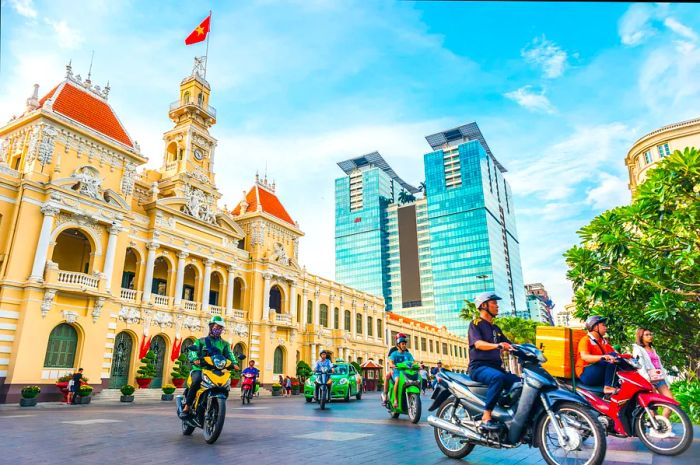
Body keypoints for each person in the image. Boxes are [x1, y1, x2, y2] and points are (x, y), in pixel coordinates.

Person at [468, 292, 520, 432]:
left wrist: (526, 350)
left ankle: (505, 410)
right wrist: (498, 346)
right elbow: (478, 344)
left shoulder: (496, 329)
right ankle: (486, 416)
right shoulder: (475, 324)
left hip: (496, 367)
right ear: (484, 305)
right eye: (494, 303)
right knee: (497, 378)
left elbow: (510, 345)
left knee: (519, 382)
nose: (497, 306)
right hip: (478, 367)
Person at [180, 315, 239, 418]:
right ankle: (187, 406)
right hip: (200, 369)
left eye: (221, 328)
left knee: (224, 384)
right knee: (197, 381)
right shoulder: (201, 341)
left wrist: (234, 364)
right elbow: (193, 351)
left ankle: (216, 406)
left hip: (215, 370)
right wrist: (195, 359)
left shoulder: (224, 344)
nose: (218, 329)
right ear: (211, 327)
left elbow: (229, 354)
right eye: (217, 327)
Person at [632, 327, 675, 417]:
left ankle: (663, 424)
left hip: (659, 378)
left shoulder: (653, 349)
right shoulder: (638, 349)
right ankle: (655, 427)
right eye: (647, 335)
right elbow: (640, 366)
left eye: (651, 334)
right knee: (652, 406)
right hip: (648, 379)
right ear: (641, 336)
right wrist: (647, 380)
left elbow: (659, 366)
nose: (650, 336)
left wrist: (665, 379)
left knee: (671, 402)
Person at [575, 316, 618, 395]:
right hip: (586, 374)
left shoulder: (603, 341)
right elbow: (585, 357)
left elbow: (616, 354)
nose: (606, 327)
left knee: (617, 358)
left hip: (597, 372)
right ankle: (608, 387)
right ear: (595, 327)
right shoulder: (585, 340)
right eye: (603, 325)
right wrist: (603, 357)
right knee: (612, 356)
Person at [387, 334, 415, 408]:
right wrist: (392, 365)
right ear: (398, 345)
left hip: (406, 372)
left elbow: (413, 362)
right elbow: (390, 361)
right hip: (397, 372)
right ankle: (396, 400)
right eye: (402, 344)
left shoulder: (408, 354)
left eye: (405, 344)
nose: (404, 345)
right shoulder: (394, 353)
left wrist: (417, 365)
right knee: (398, 380)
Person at [381, 334, 403, 406]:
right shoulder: (393, 350)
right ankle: (385, 395)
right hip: (394, 369)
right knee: (387, 376)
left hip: (404, 371)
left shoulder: (406, 350)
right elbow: (390, 361)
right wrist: (391, 369)